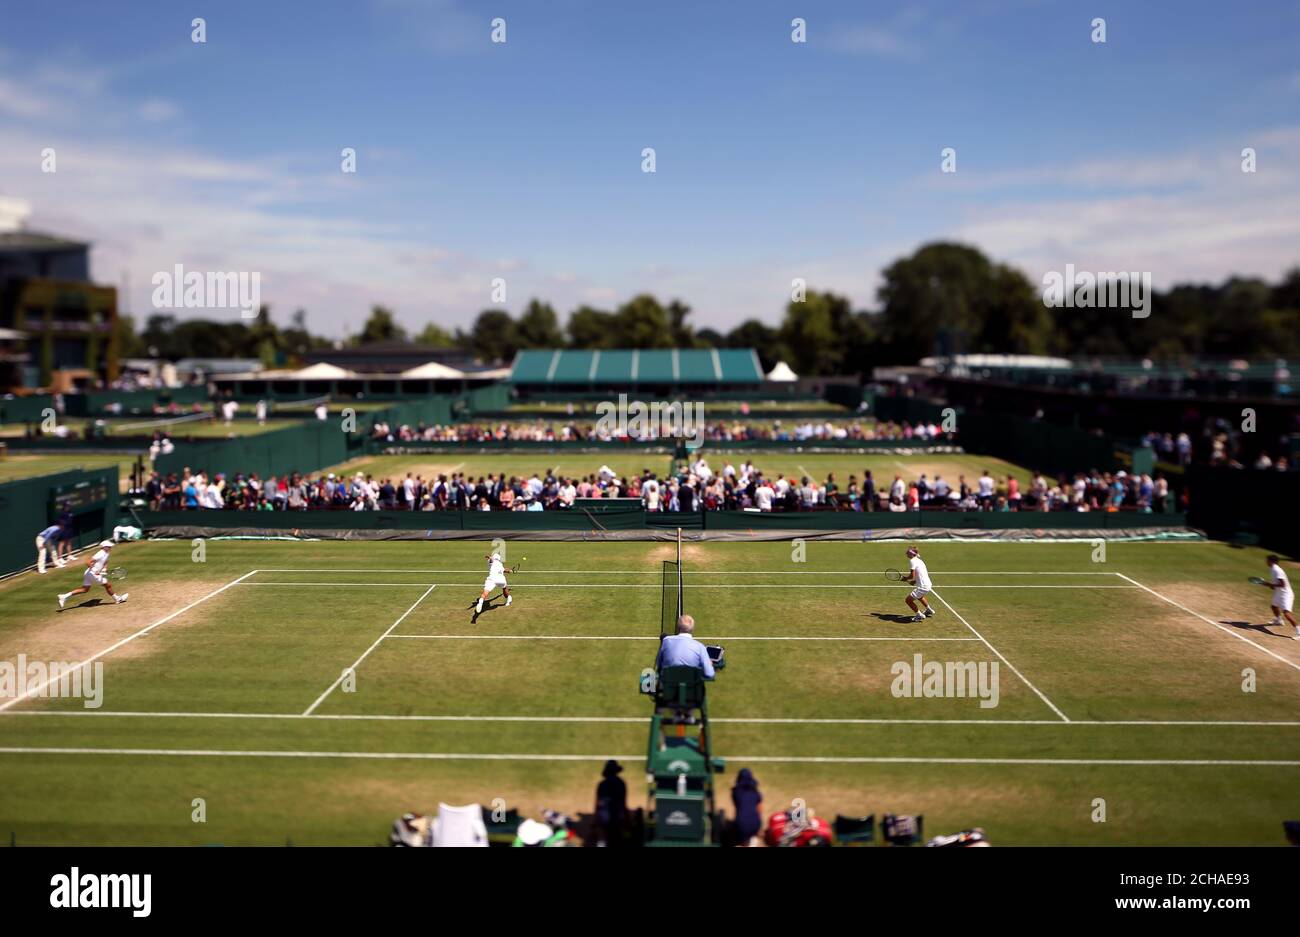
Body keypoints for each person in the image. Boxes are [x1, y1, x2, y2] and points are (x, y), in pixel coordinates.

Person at [57, 540, 128, 609]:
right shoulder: (100, 553)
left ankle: (64, 596)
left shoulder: (107, 553)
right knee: (108, 585)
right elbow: (88, 562)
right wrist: (95, 570)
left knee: (85, 589)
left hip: (88, 573)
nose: (110, 548)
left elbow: (105, 562)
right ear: (104, 547)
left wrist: (104, 569)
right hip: (93, 574)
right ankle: (117, 599)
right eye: (109, 546)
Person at [655, 614, 715, 679]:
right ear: (692, 628)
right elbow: (709, 674)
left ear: (677, 627)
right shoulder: (700, 647)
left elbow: (659, 664)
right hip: (692, 688)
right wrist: (708, 664)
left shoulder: (666, 641)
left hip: (668, 687)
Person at [1260, 554, 1297, 639]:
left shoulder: (1277, 570)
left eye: (1267, 560)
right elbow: (1275, 586)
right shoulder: (1272, 569)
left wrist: (1268, 584)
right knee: (1273, 606)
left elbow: (1282, 584)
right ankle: (1279, 620)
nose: (1266, 562)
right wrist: (1267, 584)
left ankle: (1299, 631)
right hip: (1279, 593)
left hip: (1286, 594)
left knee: (1286, 613)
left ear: (1271, 561)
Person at [593, 759, 628, 847]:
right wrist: (626, 817)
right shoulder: (621, 783)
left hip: (604, 817)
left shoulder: (602, 784)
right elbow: (623, 802)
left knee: (602, 839)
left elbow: (599, 803)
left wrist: (596, 818)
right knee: (616, 839)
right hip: (617, 816)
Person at [730, 768, 763, 847]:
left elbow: (738, 809)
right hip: (755, 824)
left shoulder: (735, 792)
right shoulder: (756, 792)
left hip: (741, 824)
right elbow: (759, 809)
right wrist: (759, 828)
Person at [903, 545, 935, 622]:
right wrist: (914, 582)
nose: (906, 553)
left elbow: (912, 576)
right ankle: (929, 610)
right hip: (928, 584)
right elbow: (919, 574)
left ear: (911, 554)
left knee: (908, 600)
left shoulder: (912, 561)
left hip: (923, 586)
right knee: (920, 597)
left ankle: (919, 615)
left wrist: (905, 578)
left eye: (907, 552)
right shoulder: (919, 560)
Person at [475, 550, 511, 614]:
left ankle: (480, 603)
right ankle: (509, 598)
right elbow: (504, 570)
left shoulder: (491, 562)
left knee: (485, 593)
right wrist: (509, 571)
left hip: (492, 579)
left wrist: (489, 557)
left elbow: (491, 560)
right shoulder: (499, 564)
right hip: (501, 579)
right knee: (505, 588)